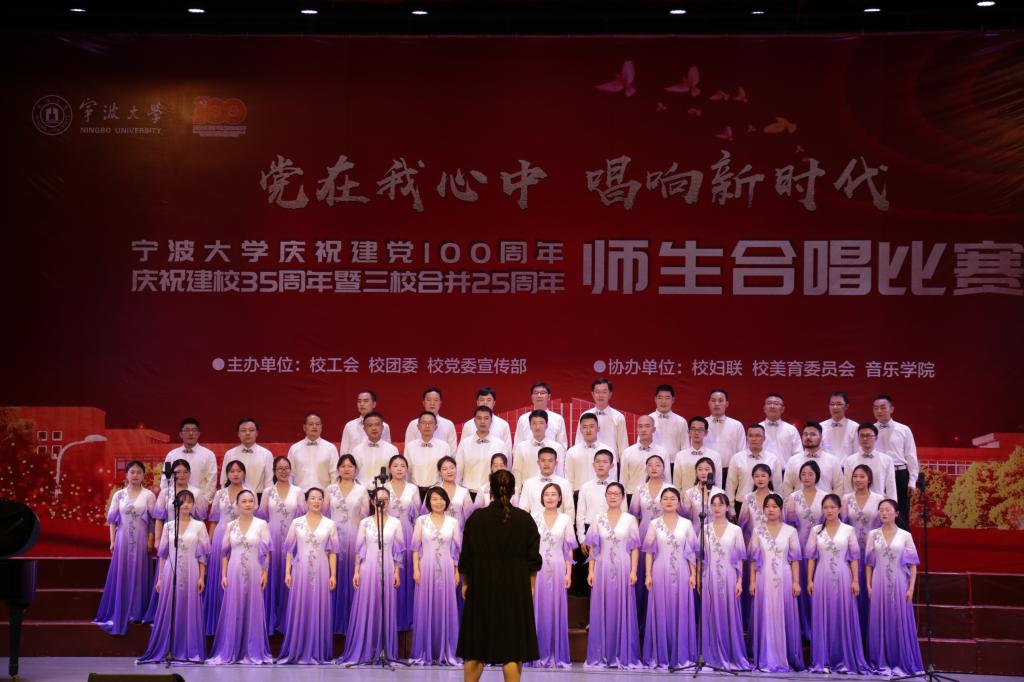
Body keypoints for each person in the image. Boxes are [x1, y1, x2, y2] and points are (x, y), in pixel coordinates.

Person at [458, 469, 542, 682]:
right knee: (512, 650)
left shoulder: (476, 519)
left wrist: (466, 584)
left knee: (475, 647)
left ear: (491, 490)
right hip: (515, 591)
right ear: (514, 491)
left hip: (481, 588)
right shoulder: (525, 520)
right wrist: (530, 586)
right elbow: (533, 560)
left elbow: (465, 558)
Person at [137, 490, 209, 664]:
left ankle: (189, 649)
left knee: (189, 608)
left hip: (191, 570)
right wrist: (160, 578)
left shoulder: (199, 526)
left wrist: (201, 577)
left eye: (189, 502)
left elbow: (202, 555)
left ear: (193, 505)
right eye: (182, 502)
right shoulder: (168, 526)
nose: (186, 505)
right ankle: (167, 648)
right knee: (170, 608)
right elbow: (162, 555)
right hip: (171, 571)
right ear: (176, 505)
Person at [338, 487, 405, 664]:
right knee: (366, 606)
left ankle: (384, 650)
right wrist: (356, 571)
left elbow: (398, 551)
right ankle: (365, 649)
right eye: (379, 499)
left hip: (388, 568)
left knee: (385, 607)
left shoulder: (395, 523)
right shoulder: (365, 523)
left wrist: (397, 572)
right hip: (367, 568)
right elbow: (359, 549)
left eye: (386, 499)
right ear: (373, 501)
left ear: (389, 502)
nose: (383, 502)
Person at [207, 489, 272, 664]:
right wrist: (223, 575)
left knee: (253, 608)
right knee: (234, 607)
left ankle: (252, 650)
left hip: (255, 570)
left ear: (255, 504)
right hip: (234, 571)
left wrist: (265, 573)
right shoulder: (230, 526)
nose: (248, 504)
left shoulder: (261, 524)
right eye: (244, 501)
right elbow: (224, 553)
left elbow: (266, 552)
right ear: (237, 504)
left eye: (251, 501)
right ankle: (232, 649)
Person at [806, 493, 867, 674]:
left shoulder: (848, 530)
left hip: (844, 577)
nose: (829, 510)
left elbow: (854, 558)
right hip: (821, 576)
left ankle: (845, 659)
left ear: (839, 509)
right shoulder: (816, 530)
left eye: (833, 507)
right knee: (823, 616)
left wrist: (855, 580)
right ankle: (823, 659)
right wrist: (809, 580)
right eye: (826, 507)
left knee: (843, 615)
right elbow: (811, 557)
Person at [277, 487, 338, 664]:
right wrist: (287, 572)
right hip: (300, 570)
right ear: (306, 501)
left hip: (322, 570)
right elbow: (289, 550)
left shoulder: (329, 524)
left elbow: (333, 552)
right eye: (312, 498)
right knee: (300, 606)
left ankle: (318, 650)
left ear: (323, 501)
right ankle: (297, 649)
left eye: (319, 498)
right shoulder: (297, 523)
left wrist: (333, 575)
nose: (316, 501)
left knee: (319, 607)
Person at [94, 460, 155, 635]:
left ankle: (137, 612)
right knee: (123, 573)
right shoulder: (119, 495)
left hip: (142, 539)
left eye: (139, 472)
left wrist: (150, 540)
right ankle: (122, 611)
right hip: (122, 539)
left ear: (143, 475)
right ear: (127, 474)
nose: (135, 475)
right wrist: (112, 541)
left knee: (139, 573)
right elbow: (112, 520)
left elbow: (153, 521)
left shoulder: (149, 495)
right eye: (132, 472)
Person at [584, 482, 641, 669]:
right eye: (610, 493)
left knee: (622, 609)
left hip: (624, 568)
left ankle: (623, 654)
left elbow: (634, 548)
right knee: (602, 609)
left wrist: (634, 570)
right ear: (606, 496)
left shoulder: (630, 520)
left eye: (617, 494)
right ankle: (601, 654)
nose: (613, 496)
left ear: (623, 497)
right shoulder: (598, 518)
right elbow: (593, 547)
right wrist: (591, 570)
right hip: (602, 568)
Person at [865, 499, 924, 676]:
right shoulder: (873, 535)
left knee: (899, 620)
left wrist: (911, 588)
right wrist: (868, 585)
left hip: (899, 582)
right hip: (878, 581)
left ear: (896, 513)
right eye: (881, 510)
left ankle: (901, 661)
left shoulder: (905, 535)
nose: (883, 513)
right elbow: (869, 563)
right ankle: (880, 660)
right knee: (879, 619)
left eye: (888, 510)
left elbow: (912, 565)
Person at [641, 487, 697, 670]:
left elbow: (691, 552)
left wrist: (693, 574)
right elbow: (649, 552)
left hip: (682, 571)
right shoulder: (654, 524)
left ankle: (681, 655)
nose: (669, 501)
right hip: (659, 571)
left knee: (681, 610)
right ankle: (660, 655)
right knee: (660, 610)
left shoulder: (686, 524)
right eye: (665, 498)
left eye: (673, 498)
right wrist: (648, 574)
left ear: (679, 502)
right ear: (660, 502)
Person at [748, 494, 803, 672]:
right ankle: (764, 656)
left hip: (785, 579)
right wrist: (752, 582)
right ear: (763, 509)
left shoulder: (790, 531)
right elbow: (753, 560)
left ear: (781, 509)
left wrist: (796, 582)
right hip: (763, 578)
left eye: (774, 507)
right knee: (765, 615)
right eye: (767, 506)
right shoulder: (758, 531)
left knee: (783, 615)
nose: (771, 510)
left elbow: (795, 560)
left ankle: (785, 656)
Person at [409, 486, 462, 666]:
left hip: (447, 569)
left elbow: (457, 550)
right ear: (428, 502)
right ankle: (425, 651)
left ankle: (446, 651)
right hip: (426, 568)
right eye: (434, 499)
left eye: (441, 499)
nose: (438, 502)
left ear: (446, 501)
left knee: (446, 607)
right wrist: (416, 570)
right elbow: (415, 548)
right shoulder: (421, 521)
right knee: (425, 607)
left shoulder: (453, 522)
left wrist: (456, 571)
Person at [698, 493, 750, 671]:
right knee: (710, 614)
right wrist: (698, 577)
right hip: (709, 577)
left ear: (727, 507)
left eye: (721, 504)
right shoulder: (704, 529)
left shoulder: (736, 530)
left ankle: (731, 654)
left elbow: (740, 558)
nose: (717, 508)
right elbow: (700, 557)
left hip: (729, 577)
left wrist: (740, 581)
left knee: (729, 614)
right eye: (714, 505)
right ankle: (709, 654)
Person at [257, 456, 306, 635]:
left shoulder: (298, 491)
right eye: (280, 468)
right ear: (274, 471)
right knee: (271, 575)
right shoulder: (268, 492)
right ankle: (269, 620)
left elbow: (302, 516)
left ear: (291, 470)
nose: (283, 471)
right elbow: (262, 517)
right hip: (272, 537)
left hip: (292, 539)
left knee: (290, 576)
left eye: (286, 468)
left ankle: (288, 621)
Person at [529, 482, 576, 669]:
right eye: (546, 494)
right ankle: (535, 653)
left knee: (555, 609)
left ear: (559, 498)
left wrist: (568, 573)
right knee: (536, 609)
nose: (550, 497)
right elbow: (528, 547)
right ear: (542, 498)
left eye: (553, 494)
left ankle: (556, 654)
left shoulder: (565, 519)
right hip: (538, 570)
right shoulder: (533, 518)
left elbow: (568, 548)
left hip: (557, 568)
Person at [324, 454, 370, 635]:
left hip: (354, 538)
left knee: (353, 576)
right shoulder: (330, 489)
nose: (346, 469)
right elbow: (324, 514)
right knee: (332, 575)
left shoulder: (362, 490)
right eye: (343, 466)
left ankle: (353, 622)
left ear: (356, 470)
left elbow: (365, 518)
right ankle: (331, 621)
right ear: (338, 469)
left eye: (350, 466)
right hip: (333, 538)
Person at [842, 464, 884, 642]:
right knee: (852, 589)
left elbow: (883, 526)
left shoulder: (879, 499)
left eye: (862, 476)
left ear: (869, 479)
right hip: (851, 554)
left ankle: (871, 634)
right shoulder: (845, 499)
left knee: (871, 589)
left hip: (872, 553)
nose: (858, 480)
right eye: (855, 476)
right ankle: (854, 634)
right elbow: (842, 525)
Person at [784, 460, 826, 640]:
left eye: (810, 474)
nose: (807, 477)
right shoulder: (793, 497)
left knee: (817, 584)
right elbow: (788, 525)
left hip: (820, 548)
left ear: (817, 476)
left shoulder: (825, 496)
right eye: (803, 474)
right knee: (800, 582)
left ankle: (819, 626)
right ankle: (802, 627)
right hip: (799, 547)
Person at [574, 450, 625, 597]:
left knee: (610, 570)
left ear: (612, 465)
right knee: (589, 576)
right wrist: (582, 538)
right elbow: (580, 514)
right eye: (598, 462)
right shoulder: (585, 487)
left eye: (605, 462)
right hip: (590, 530)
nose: (601, 465)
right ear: (593, 465)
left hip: (612, 531)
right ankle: (591, 609)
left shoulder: (618, 487)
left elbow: (624, 512)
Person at [203, 459, 245, 636]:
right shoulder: (220, 494)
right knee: (220, 577)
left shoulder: (249, 493)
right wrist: (210, 542)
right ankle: (217, 620)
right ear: (226, 474)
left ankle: (236, 620)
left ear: (244, 473)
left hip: (241, 539)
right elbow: (213, 520)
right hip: (220, 536)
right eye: (232, 471)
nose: (235, 474)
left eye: (239, 471)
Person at [384, 454, 422, 632]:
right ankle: (390, 616)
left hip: (407, 533)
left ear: (407, 469)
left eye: (402, 466)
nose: (399, 469)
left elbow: (417, 515)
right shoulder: (383, 487)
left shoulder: (413, 488)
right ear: (389, 469)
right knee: (390, 571)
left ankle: (408, 617)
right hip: (388, 533)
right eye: (395, 465)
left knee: (407, 571)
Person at [873, 394, 920, 530]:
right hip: (878, 474)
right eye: (876, 408)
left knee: (901, 513)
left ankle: (903, 542)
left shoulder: (904, 429)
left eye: (883, 408)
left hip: (899, 474)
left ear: (892, 409)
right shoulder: (870, 431)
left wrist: (912, 481)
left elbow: (911, 456)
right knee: (878, 509)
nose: (879, 411)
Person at [159, 418, 217, 505]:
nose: (191, 433)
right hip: (175, 503)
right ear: (180, 434)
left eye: (194, 430)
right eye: (187, 430)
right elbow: (165, 480)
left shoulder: (208, 455)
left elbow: (211, 482)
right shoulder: (171, 455)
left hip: (198, 502)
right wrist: (169, 501)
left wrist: (203, 502)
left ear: (199, 434)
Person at [455, 405, 508, 496]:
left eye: (486, 418)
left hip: (490, 493)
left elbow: (504, 472)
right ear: (474, 421)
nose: (482, 421)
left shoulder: (500, 445)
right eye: (479, 418)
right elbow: (458, 471)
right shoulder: (464, 444)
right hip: (468, 493)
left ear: (491, 421)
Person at [725, 424, 782, 505]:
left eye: (758, 436)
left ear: (764, 438)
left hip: (767, 504)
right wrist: (730, 507)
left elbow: (778, 486)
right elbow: (730, 485)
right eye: (750, 436)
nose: (754, 439)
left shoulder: (773, 459)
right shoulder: (736, 458)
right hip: (741, 503)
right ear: (747, 438)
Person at [783, 422, 843, 496]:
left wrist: (832, 503)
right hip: (798, 502)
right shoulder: (793, 461)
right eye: (805, 434)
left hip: (825, 502)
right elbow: (787, 487)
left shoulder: (832, 461)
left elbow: (838, 487)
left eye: (813, 434)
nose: (808, 437)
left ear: (821, 437)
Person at [843, 422, 898, 500]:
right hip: (857, 504)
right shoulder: (849, 460)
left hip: (880, 503)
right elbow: (848, 488)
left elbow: (891, 487)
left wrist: (891, 505)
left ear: (876, 438)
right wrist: (852, 505)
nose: (865, 438)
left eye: (868, 435)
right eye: (862, 435)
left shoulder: (887, 460)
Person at [512, 409, 566, 489]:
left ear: (546, 425)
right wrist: (517, 492)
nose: (537, 427)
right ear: (530, 426)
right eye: (534, 423)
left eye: (541, 423)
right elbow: (517, 472)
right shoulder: (521, 447)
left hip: (551, 491)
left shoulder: (557, 447)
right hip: (528, 490)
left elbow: (560, 473)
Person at [574, 378, 629, 456]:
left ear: (610, 394)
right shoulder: (584, 415)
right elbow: (579, 441)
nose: (600, 395)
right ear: (593, 394)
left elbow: (623, 445)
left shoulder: (618, 417)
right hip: (588, 458)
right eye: (597, 392)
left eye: (604, 392)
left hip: (611, 461)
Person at [221, 418, 274, 496]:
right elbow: (224, 480)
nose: (247, 433)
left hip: (259, 497)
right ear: (238, 434)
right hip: (234, 497)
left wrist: (266, 500)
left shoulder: (266, 454)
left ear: (257, 433)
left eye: (251, 430)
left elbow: (269, 482)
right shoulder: (229, 454)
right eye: (243, 430)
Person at [704, 388, 747, 484]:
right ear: (709, 403)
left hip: (730, 473)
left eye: (720, 400)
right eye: (713, 400)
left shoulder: (736, 425)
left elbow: (742, 452)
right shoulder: (701, 424)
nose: (716, 404)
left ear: (727, 403)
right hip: (706, 473)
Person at [287, 412, 339, 491]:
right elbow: (290, 474)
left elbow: (335, 474)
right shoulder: (294, 448)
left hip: (323, 494)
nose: (314, 426)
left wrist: (331, 494)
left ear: (321, 427)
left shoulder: (331, 448)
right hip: (300, 494)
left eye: (317, 424)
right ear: (304, 427)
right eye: (311, 424)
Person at [405, 411, 453, 495]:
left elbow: (447, 471)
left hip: (436, 491)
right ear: (418, 426)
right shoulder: (410, 447)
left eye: (430, 423)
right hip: (415, 491)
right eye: (424, 423)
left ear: (436, 427)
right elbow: (407, 471)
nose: (427, 426)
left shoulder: (444, 446)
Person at [518, 447, 573, 519]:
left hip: (559, 525)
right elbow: (523, 510)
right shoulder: (528, 484)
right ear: (538, 462)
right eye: (543, 460)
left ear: (556, 463)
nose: (546, 464)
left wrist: (566, 525)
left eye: (550, 461)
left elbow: (569, 510)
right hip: (534, 525)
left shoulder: (565, 484)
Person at [565, 413, 615, 492]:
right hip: (578, 494)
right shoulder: (572, 452)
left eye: (591, 426)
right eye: (585, 427)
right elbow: (569, 479)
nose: (588, 430)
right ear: (580, 430)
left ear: (598, 428)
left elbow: (613, 477)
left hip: (603, 493)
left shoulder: (609, 450)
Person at [620, 415, 667, 497]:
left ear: (654, 429)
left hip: (657, 496)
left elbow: (667, 478)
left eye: (647, 426)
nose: (643, 429)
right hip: (632, 495)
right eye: (640, 426)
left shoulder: (663, 452)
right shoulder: (627, 452)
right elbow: (623, 480)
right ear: (637, 429)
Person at [513, 381, 568, 448]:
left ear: (549, 396)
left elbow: (562, 447)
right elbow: (517, 446)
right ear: (532, 397)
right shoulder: (523, 419)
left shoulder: (558, 419)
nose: (539, 396)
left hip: (550, 454)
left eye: (542, 393)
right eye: (536, 393)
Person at [673, 417, 723, 491]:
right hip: (686, 497)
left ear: (706, 433)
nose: (696, 432)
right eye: (693, 429)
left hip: (708, 496)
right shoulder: (680, 456)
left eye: (700, 429)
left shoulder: (715, 456)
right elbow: (676, 484)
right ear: (688, 432)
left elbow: (718, 484)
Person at [404, 387, 458, 452]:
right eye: (429, 400)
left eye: (436, 400)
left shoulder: (449, 425)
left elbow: (452, 452)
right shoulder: (413, 424)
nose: (432, 403)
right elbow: (408, 449)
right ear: (423, 403)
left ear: (440, 403)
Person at [340, 390, 393, 454]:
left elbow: (388, 449)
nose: (362, 404)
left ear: (374, 404)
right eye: (359, 401)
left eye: (365, 401)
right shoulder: (349, 426)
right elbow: (344, 452)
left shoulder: (383, 426)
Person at [759, 394, 802, 471]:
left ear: (782, 409)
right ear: (764, 408)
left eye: (776, 403)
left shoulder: (791, 430)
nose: (772, 406)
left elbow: (798, 455)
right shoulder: (757, 429)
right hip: (761, 474)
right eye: (769, 403)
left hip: (786, 473)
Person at [681, 457, 727, 529]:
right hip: (696, 531)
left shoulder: (720, 492)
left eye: (707, 469)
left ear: (712, 472)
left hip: (716, 531)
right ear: (696, 473)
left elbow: (723, 516)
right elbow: (686, 516)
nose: (703, 473)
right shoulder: (689, 493)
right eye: (700, 469)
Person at [648, 383, 689, 455]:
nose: (663, 401)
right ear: (655, 399)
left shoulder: (681, 421)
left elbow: (685, 447)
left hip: (674, 461)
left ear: (673, 400)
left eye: (667, 398)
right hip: (652, 460)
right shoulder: (648, 419)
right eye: (660, 398)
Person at [436, 456, 474, 527]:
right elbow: (425, 514)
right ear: (439, 472)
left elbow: (470, 515)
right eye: (445, 469)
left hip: (459, 530)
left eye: (452, 468)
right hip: (438, 530)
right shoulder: (434, 490)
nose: (449, 471)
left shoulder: (464, 491)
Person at [821, 391, 859, 459]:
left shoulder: (855, 427)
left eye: (839, 404)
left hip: (848, 465)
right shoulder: (821, 427)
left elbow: (857, 452)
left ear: (846, 406)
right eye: (832, 404)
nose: (835, 407)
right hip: (826, 465)